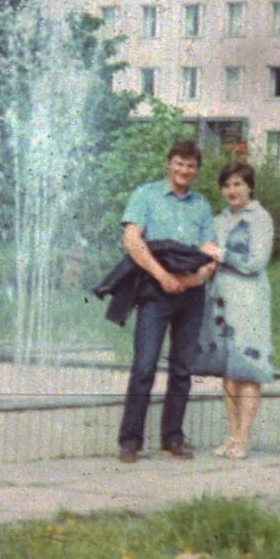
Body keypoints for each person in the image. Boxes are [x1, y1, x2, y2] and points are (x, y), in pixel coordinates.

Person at [114, 139, 220, 464]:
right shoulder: (145, 195)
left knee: (182, 368)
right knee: (144, 365)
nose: (184, 170)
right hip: (154, 290)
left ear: (197, 171)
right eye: (179, 163)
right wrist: (162, 276)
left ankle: (173, 437)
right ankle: (130, 441)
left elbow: (210, 254)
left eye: (191, 166)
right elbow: (132, 241)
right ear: (168, 163)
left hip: (191, 294)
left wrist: (191, 280)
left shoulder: (202, 206)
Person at [194, 160, 274, 459]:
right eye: (227, 185)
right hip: (221, 300)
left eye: (238, 184)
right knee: (228, 371)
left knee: (248, 369)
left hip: (250, 301)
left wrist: (220, 253)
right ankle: (231, 436)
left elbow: (256, 262)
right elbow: (207, 257)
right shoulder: (219, 220)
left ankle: (244, 438)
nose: (232, 190)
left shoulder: (260, 218)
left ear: (249, 186)